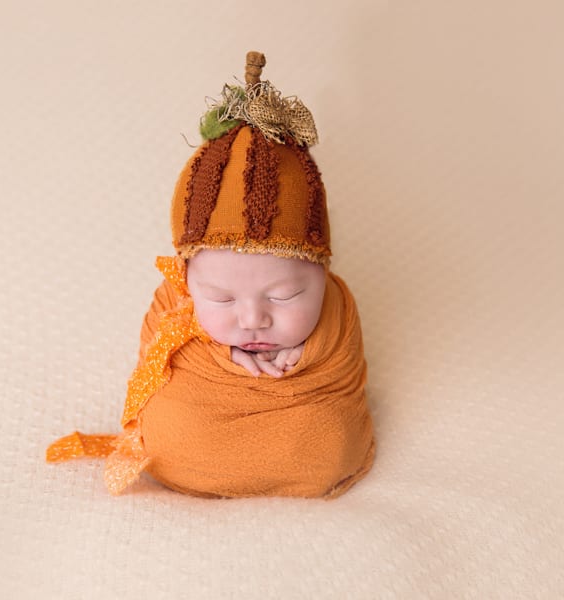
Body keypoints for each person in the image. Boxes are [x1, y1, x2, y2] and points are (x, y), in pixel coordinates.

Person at [48, 52, 375, 499]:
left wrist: (311, 352)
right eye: (222, 299)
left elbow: (340, 355)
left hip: (307, 417)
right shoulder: (174, 302)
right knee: (177, 427)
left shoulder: (337, 304)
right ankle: (194, 456)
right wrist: (217, 353)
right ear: (187, 277)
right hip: (200, 416)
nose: (253, 319)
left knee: (328, 442)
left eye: (283, 296)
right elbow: (156, 361)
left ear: (323, 272)